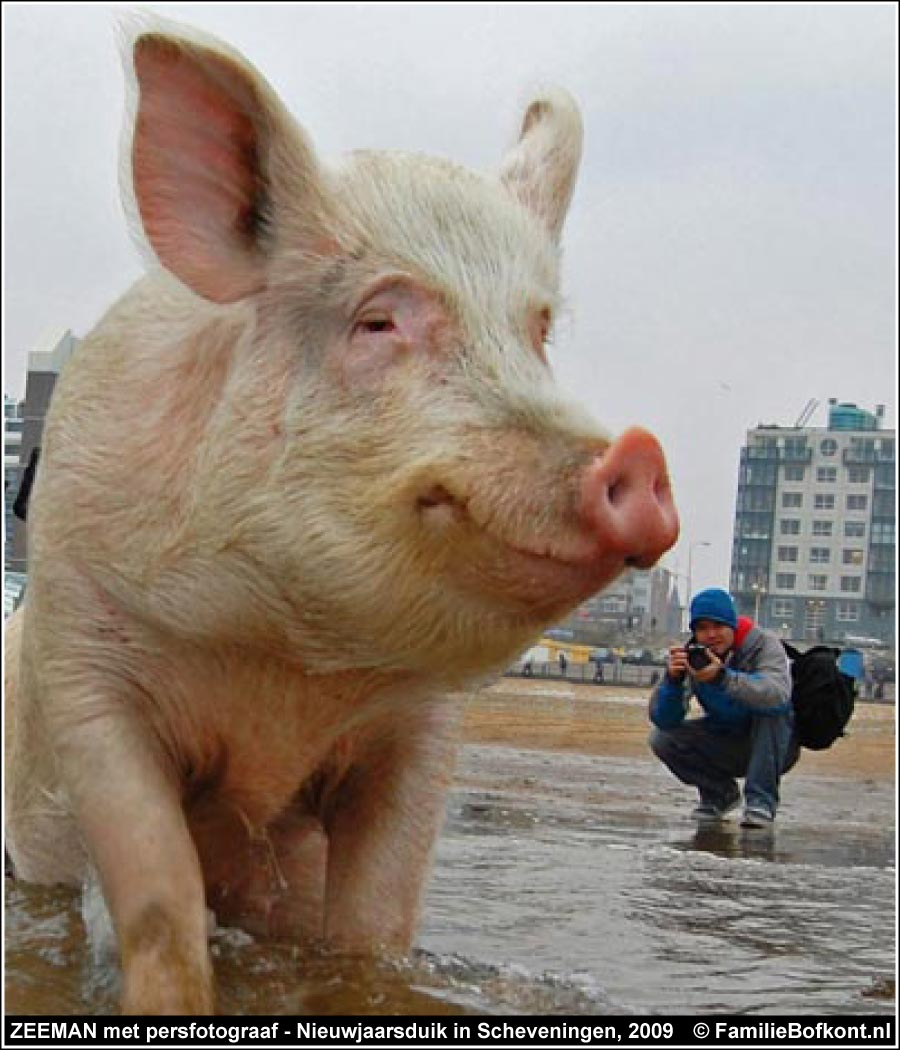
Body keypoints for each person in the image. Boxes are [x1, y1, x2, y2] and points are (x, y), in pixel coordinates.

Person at [648, 587, 798, 829]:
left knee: (773, 713)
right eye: (702, 628)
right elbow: (663, 720)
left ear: (733, 626)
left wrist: (722, 677)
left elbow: (776, 695)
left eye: (718, 626)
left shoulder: (763, 645)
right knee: (661, 739)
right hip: (725, 740)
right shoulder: (693, 656)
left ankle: (761, 801)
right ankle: (719, 794)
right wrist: (672, 682)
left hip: (773, 745)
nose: (711, 635)